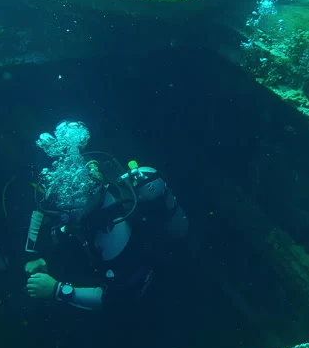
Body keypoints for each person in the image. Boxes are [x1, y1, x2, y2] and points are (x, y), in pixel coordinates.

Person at [24, 121, 188, 312]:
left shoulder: (113, 231)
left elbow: (121, 297)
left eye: (65, 210)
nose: (62, 213)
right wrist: (32, 254)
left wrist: (57, 290)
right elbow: (41, 211)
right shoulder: (79, 197)